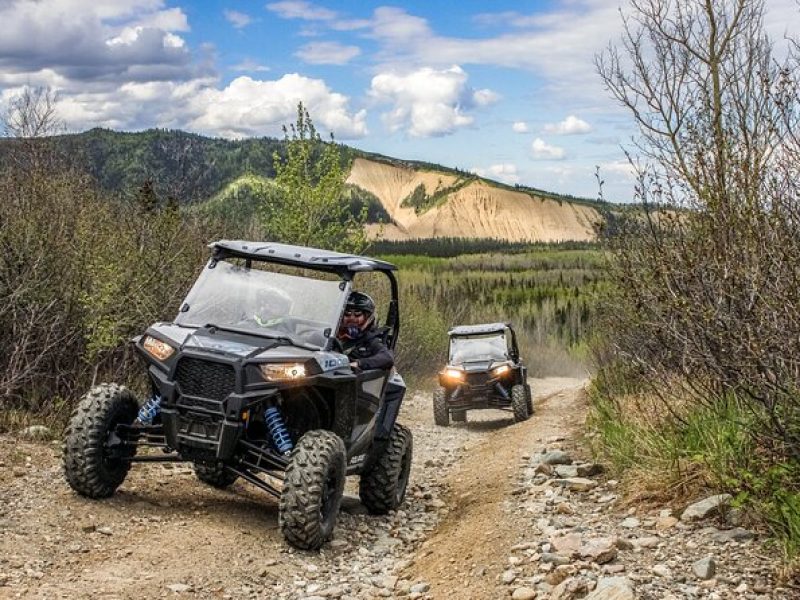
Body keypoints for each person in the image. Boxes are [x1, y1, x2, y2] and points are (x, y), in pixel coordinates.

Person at [338, 291, 406, 441]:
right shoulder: (331, 336)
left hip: (362, 391)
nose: (352, 319)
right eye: (348, 314)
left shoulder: (372, 339)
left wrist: (360, 363)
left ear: (367, 317)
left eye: (357, 314)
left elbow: (387, 358)